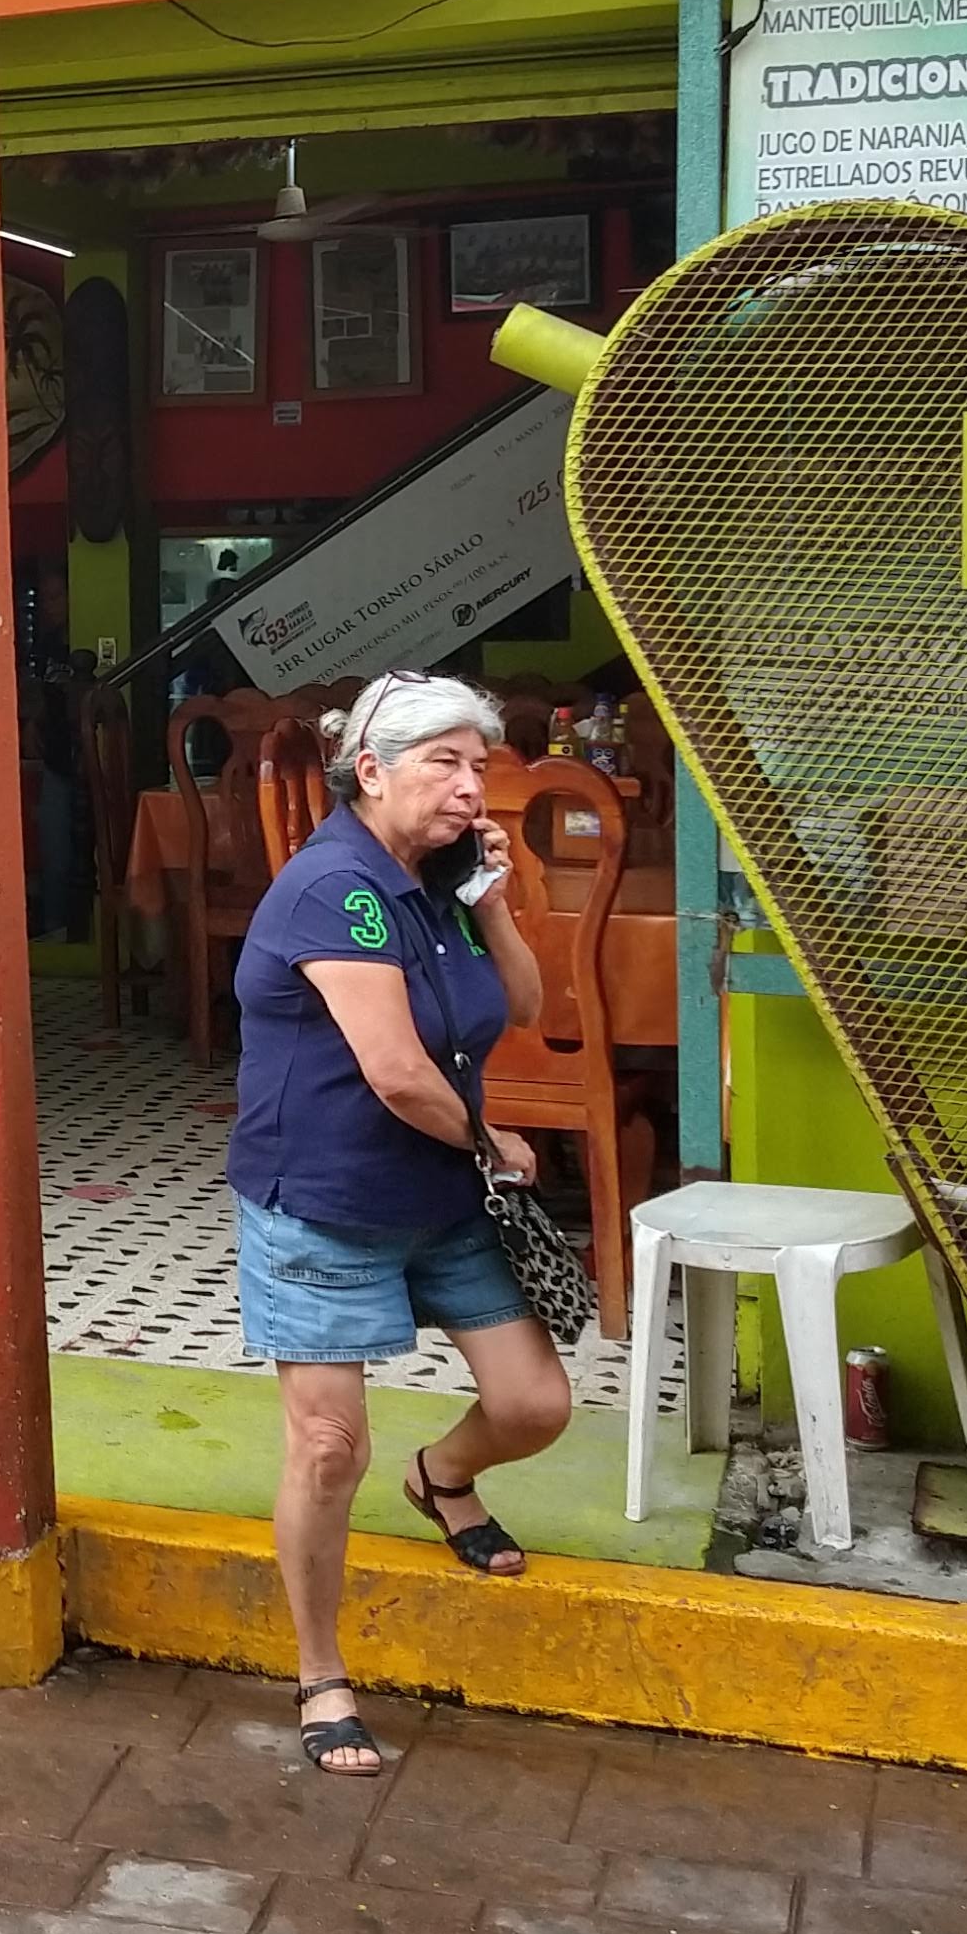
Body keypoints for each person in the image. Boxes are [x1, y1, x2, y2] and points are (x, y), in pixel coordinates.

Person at [226, 669, 570, 1780]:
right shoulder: (339, 888)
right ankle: (321, 1671)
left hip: (436, 1197)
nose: (474, 787)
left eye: (481, 764)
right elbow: (394, 1072)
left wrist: (494, 901)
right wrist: (493, 1143)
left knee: (533, 1406)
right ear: (369, 772)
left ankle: (442, 1478)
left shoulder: (434, 880)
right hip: (325, 1203)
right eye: (447, 764)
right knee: (329, 1449)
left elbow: (526, 1010)